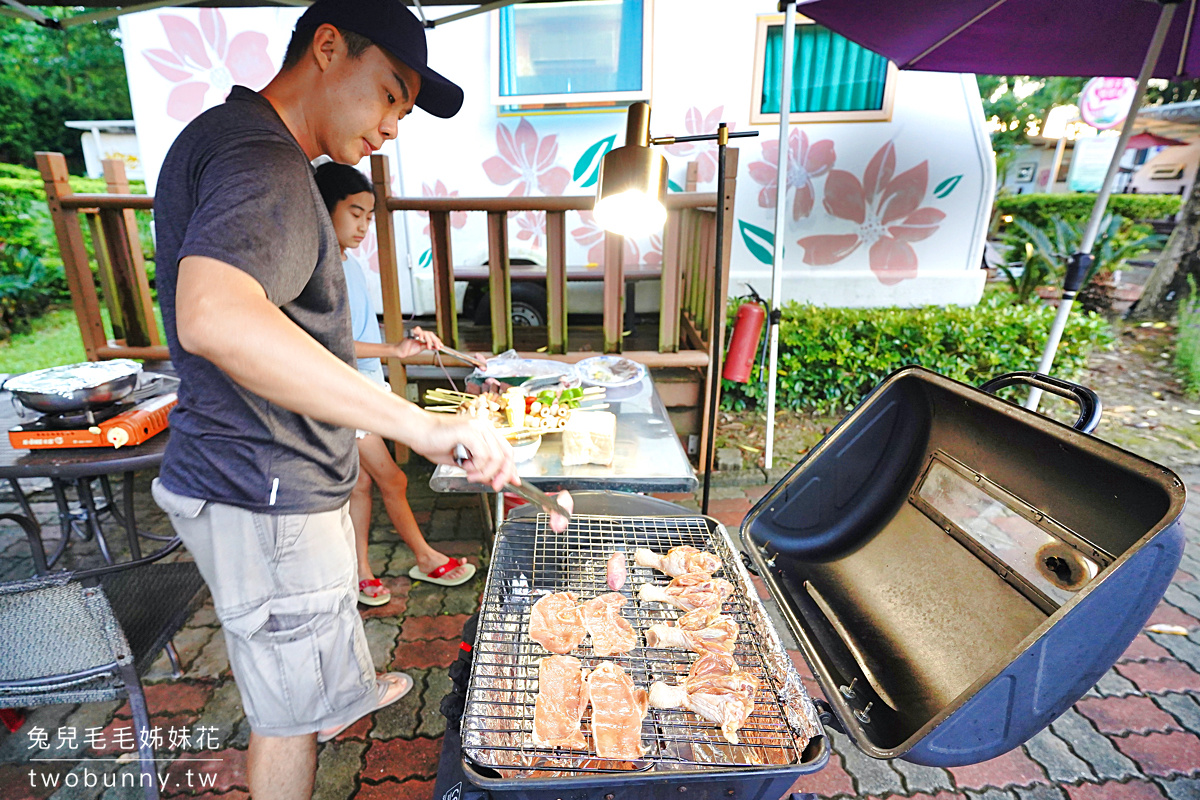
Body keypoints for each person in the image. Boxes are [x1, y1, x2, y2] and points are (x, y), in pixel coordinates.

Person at [149, 1, 517, 798]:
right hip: (266, 491)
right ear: (327, 48)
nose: (392, 127)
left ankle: (343, 688)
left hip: (248, 479)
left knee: (297, 697)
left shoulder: (229, 137)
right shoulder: (265, 163)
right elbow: (214, 314)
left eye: (404, 110)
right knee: (286, 724)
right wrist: (415, 423)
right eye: (389, 94)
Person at [314, 161, 475, 605]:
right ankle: (423, 557)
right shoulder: (319, 269)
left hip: (362, 387)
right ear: (324, 208)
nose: (364, 225)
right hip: (343, 393)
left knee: (361, 485)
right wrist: (393, 351)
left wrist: (408, 335)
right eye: (354, 213)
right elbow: (330, 344)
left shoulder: (349, 265)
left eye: (369, 216)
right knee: (393, 479)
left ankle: (361, 572)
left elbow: (362, 329)